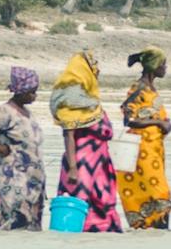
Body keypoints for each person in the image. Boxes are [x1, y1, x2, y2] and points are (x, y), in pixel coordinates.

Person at [49, 51, 124, 232]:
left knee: (103, 203)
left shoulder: (90, 101)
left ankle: (100, 239)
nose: (97, 72)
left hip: (100, 165)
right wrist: (73, 169)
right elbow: (69, 135)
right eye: (94, 67)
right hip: (81, 165)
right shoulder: (71, 100)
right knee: (79, 203)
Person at [0, 65, 47, 230]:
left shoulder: (27, 113)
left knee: (32, 226)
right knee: (15, 221)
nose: (35, 96)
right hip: (15, 177)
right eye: (32, 92)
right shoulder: (5, 111)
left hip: (33, 181)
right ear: (21, 91)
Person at [118, 48, 171, 230]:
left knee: (156, 195)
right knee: (161, 195)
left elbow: (149, 113)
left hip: (155, 152)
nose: (165, 67)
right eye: (163, 64)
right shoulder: (138, 89)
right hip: (142, 154)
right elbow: (129, 120)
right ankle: (154, 229)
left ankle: (154, 234)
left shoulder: (151, 89)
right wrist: (159, 122)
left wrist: (165, 123)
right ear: (154, 65)